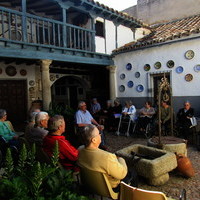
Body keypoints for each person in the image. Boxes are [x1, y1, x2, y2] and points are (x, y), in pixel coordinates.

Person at [78, 124, 136, 191]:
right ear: (94, 140)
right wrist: (121, 159)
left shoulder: (80, 150)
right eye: (99, 133)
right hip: (108, 188)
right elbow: (122, 174)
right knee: (133, 172)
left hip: (90, 183)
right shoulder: (107, 157)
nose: (100, 135)